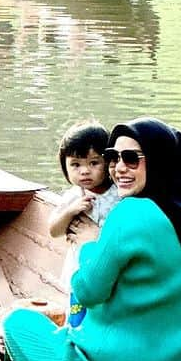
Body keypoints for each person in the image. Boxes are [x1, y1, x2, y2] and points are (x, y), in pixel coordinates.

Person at [2, 118, 181, 361]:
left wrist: (90, 242)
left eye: (131, 159)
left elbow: (88, 292)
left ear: (159, 161)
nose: (119, 168)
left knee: (17, 323)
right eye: (113, 157)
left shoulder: (129, 214)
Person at [47, 119, 120, 299]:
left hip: (108, 267)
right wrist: (70, 211)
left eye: (94, 163)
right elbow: (54, 231)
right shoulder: (73, 196)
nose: (84, 171)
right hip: (78, 266)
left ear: (109, 162)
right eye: (75, 164)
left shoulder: (119, 194)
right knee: (76, 309)